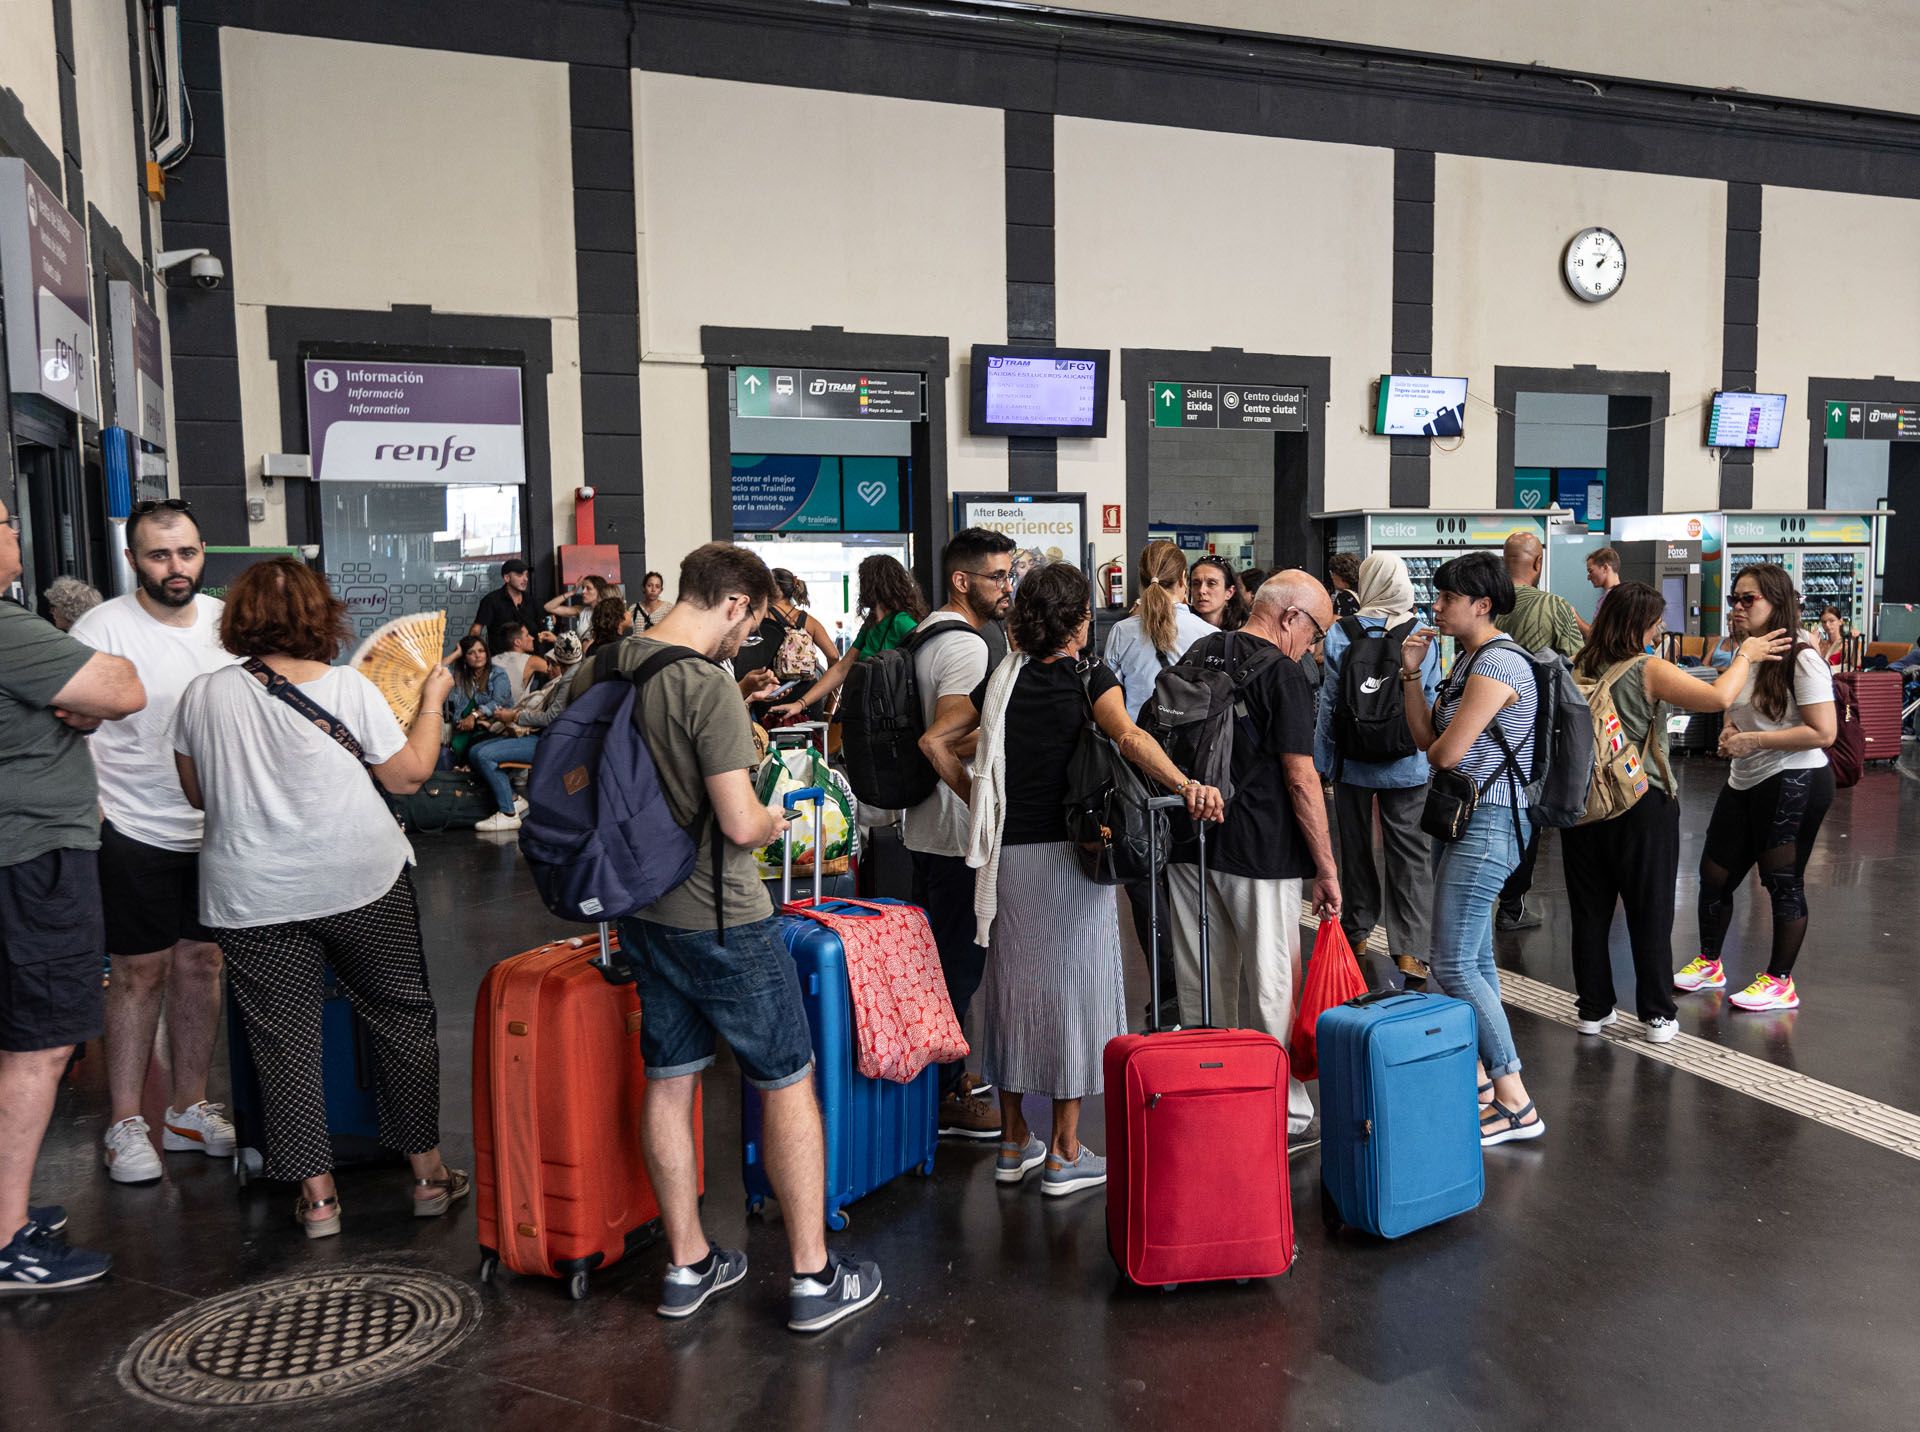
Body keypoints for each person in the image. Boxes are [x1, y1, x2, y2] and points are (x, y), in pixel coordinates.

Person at [587, 542, 882, 1333]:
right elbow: (740, 823)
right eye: (749, 624)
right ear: (734, 603)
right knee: (786, 1080)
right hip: (723, 917)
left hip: (639, 910)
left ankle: (687, 1265)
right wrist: (775, 815)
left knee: (669, 1079)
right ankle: (814, 1277)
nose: (746, 639)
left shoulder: (609, 664)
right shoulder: (703, 683)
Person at [170, 558, 465, 1238]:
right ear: (320, 615)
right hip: (363, 882)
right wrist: (431, 700)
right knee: (401, 1020)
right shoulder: (349, 688)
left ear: (238, 618)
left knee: (284, 1043)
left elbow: (197, 794)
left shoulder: (202, 696)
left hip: (252, 895)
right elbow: (409, 777)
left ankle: (320, 1201)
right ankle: (427, 1177)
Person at [963, 563, 1222, 1196]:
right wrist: (1186, 783)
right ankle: (1064, 1151)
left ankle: (1012, 1143)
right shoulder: (1088, 676)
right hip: (1077, 857)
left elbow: (945, 742)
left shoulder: (1002, 679)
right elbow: (1128, 737)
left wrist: (979, 802)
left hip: (1011, 860)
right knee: (1076, 996)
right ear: (1079, 621)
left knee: (1014, 994)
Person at [68, 500, 239, 1184]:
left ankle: (188, 1109)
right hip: (132, 825)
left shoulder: (228, 624)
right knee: (139, 972)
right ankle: (125, 1121)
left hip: (215, 827)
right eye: (159, 555)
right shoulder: (101, 628)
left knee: (202, 963)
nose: (175, 567)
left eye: (187, 553)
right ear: (133, 559)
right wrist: (95, 813)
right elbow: (67, 723)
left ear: (203, 553)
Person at [0, 496, 145, 1291]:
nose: (16, 533)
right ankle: (7, 1242)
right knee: (41, 1045)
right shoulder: (7, 629)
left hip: (20, 856)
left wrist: (72, 712)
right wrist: (82, 703)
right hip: (33, 859)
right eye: (4, 522)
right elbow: (121, 688)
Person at [1563, 582, 1791, 1042]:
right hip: (1641, 802)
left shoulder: (1578, 664)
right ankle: (1656, 1014)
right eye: (1655, 622)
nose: (1660, 629)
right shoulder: (1647, 668)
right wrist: (1745, 655)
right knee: (1649, 910)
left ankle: (1593, 1008)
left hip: (1583, 803)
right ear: (1639, 626)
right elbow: (1719, 697)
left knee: (1589, 911)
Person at [1164, 572, 1340, 1142]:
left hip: (1189, 840)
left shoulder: (1200, 650)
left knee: (1202, 981)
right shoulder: (1284, 674)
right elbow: (1301, 779)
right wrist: (1326, 868)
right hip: (1260, 849)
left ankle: (1212, 1095)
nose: (1312, 647)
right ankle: (1281, 1110)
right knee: (1271, 983)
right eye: (1315, 633)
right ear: (1290, 617)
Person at [1398, 550, 1545, 1147]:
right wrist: (1411, 675)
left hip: (1491, 822)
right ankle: (1484, 1082)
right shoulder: (1466, 660)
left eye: (1448, 598)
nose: (1436, 607)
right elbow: (1423, 738)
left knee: (1453, 963)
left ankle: (1515, 1098)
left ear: (1482, 605)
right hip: (1463, 820)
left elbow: (1444, 754)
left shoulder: (1499, 665)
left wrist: (1436, 732)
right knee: (1474, 960)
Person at [1676, 563, 1837, 1012]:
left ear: (1777, 602)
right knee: (1715, 874)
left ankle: (1780, 981)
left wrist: (1754, 741)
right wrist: (1732, 729)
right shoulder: (1746, 651)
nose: (1738, 607)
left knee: (1782, 882)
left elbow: (1824, 732)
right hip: (1747, 776)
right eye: (1735, 599)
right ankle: (1710, 962)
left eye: (1749, 599)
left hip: (1795, 777)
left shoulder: (1801, 656)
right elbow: (1732, 702)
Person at [911, 529, 1017, 1141]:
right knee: (957, 969)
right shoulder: (968, 647)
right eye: (996, 576)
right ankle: (946, 1094)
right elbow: (944, 737)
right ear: (961, 580)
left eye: (1008, 575)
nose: (1007, 587)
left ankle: (941, 1081)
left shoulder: (927, 631)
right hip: (957, 833)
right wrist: (981, 798)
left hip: (926, 827)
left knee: (939, 965)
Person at [1101, 540, 1216, 1024]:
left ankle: (1164, 998)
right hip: (1194, 778)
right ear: (1183, 581)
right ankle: (1198, 997)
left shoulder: (1121, 634)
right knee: (1193, 887)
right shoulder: (1210, 636)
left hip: (1136, 779)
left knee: (1147, 890)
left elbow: (1108, 707)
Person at [1314, 552, 1440, 987]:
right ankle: (1411, 951)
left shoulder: (1341, 632)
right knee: (1410, 854)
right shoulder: (1421, 633)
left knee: (1355, 849)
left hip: (1352, 761)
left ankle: (1357, 931)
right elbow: (1429, 698)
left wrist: (1323, 760)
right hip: (1406, 760)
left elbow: (1330, 702)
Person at [1491, 531, 1584, 932]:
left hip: (1485, 723)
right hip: (1535, 727)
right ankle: (1513, 904)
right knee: (1528, 809)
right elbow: (1578, 662)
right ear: (1539, 563)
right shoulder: (1553, 605)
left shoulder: (1486, 605)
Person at [767, 554, 928, 722]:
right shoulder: (871, 624)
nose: (860, 588)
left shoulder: (902, 622)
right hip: (868, 717)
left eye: (863, 580)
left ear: (874, 583)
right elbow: (841, 668)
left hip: (892, 721)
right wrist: (800, 704)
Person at [467, 633, 587, 835]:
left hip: (550, 742)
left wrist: (515, 716)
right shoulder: (573, 675)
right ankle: (514, 800)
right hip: (545, 737)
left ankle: (508, 813)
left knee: (483, 755)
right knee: (476, 750)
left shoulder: (569, 680)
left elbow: (551, 718)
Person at [444, 634, 513, 767]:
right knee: (454, 748)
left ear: (486, 653)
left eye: (481, 651)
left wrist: (474, 715)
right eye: (471, 653)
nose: (478, 656)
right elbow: (437, 671)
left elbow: (497, 703)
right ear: (465, 658)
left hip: (494, 725)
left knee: (470, 750)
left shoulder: (498, 674)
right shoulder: (461, 675)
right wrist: (456, 654)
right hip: (464, 726)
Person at [472, 558, 550, 646]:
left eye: (526, 575)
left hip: (531, 653)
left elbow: (543, 624)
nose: (525, 579)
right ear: (507, 578)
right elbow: (476, 630)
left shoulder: (531, 600)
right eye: (520, 575)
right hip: (502, 654)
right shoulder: (491, 600)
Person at [489, 621, 550, 706]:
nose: (532, 638)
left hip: (491, 708)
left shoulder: (491, 660)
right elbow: (561, 670)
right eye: (527, 635)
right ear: (517, 642)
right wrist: (555, 639)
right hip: (515, 710)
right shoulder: (532, 661)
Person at [544, 573, 616, 638]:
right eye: (583, 588)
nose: (583, 592)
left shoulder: (608, 613)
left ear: (599, 591)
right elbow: (548, 607)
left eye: (588, 588)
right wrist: (571, 592)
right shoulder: (581, 610)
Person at [1189, 554, 1247, 631]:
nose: (1201, 590)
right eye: (1196, 584)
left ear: (1229, 592)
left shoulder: (1244, 630)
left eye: (1211, 583)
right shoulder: (1183, 626)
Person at [1575, 546, 1622, 638]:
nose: (1588, 577)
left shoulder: (1611, 599)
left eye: (1591, 571)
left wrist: (1574, 616)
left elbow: (1596, 636)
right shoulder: (1626, 596)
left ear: (1605, 568)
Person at [1327, 552, 1362, 620]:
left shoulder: (1344, 597)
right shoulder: (1363, 592)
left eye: (1332, 573)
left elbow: (1335, 624)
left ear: (1340, 575)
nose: (1332, 577)